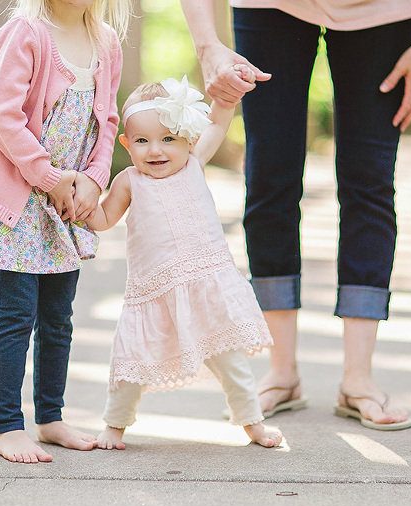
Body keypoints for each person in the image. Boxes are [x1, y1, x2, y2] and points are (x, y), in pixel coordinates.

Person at [180, 0, 411, 430]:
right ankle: (282, 372)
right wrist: (207, 45)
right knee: (270, 176)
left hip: (380, 12)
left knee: (370, 182)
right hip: (270, 7)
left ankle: (358, 380)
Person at [0, 0, 130, 463]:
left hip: (66, 203)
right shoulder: (26, 33)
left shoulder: (105, 42)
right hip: (20, 197)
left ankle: (50, 417)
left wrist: (92, 178)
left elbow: (107, 123)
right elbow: (0, 114)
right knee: (17, 312)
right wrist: (50, 177)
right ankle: (5, 426)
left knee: (58, 316)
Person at [86, 75, 284, 449]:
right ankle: (114, 425)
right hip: (154, 291)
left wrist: (227, 95)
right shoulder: (129, 180)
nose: (155, 151)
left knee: (233, 365)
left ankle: (252, 423)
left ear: (188, 139)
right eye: (142, 141)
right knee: (132, 365)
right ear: (127, 144)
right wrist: (75, 203)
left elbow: (220, 121)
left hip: (205, 286)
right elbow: (103, 219)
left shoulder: (194, 162)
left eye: (168, 139)